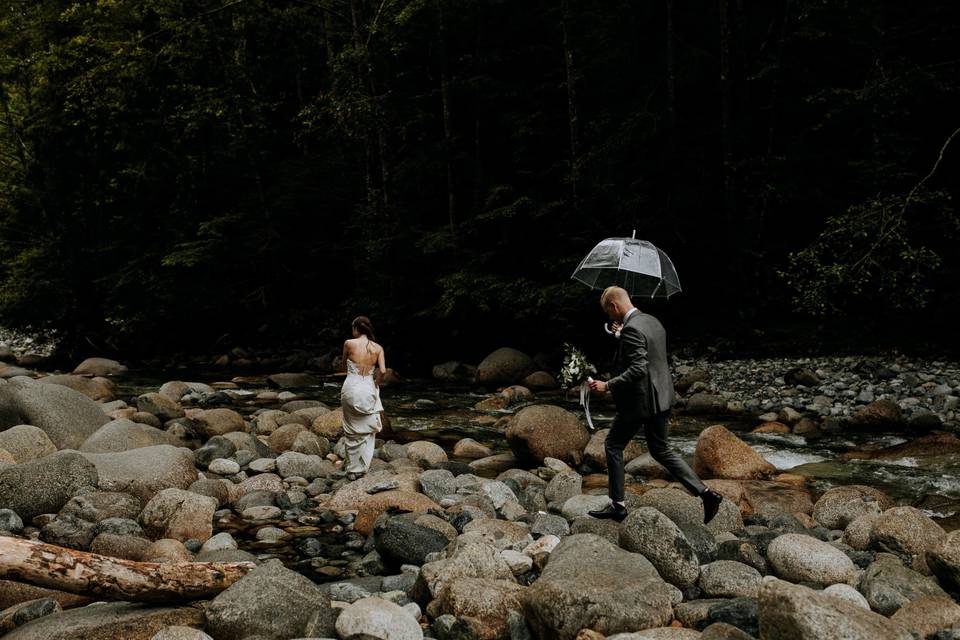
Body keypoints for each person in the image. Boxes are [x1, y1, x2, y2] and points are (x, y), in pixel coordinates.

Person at [587, 286, 722, 523]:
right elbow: (648, 353)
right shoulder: (651, 321)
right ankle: (707, 494)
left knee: (613, 444)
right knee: (661, 450)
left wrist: (607, 386)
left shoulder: (632, 330)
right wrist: (621, 335)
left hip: (641, 401)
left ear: (614, 307)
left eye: (608, 312)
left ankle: (618, 506)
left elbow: (638, 369)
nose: (609, 318)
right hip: (662, 397)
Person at [340, 316, 386, 480]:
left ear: (356, 329)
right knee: (367, 427)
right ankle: (362, 468)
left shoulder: (349, 343)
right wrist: (375, 384)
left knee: (351, 428)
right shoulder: (378, 348)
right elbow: (383, 370)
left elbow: (343, 364)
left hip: (351, 386)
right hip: (368, 388)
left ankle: (352, 469)